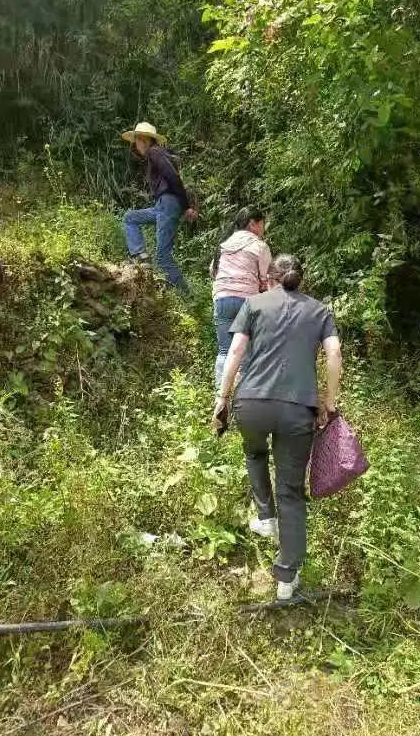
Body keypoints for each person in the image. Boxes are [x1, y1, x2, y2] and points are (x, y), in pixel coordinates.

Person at [212, 254, 343, 600]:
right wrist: (329, 403)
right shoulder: (320, 310)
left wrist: (223, 398)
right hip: (298, 409)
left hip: (251, 403)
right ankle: (287, 579)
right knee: (291, 490)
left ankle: (265, 516)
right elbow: (334, 354)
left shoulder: (254, 304)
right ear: (301, 279)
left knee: (255, 453)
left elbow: (236, 350)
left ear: (268, 279)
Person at [121, 122, 197, 290]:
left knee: (163, 258)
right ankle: (141, 256)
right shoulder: (155, 154)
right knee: (130, 218)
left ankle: (188, 297)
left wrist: (186, 207)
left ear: (144, 139)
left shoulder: (155, 152)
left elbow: (174, 177)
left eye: (137, 141)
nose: (136, 145)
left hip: (168, 204)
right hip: (161, 206)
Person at [210, 207, 272, 388]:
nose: (264, 228)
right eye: (262, 223)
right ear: (253, 223)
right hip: (247, 301)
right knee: (245, 352)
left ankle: (221, 399)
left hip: (222, 298)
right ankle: (242, 397)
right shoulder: (259, 246)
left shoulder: (223, 244)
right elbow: (266, 278)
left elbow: (213, 272)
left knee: (224, 350)